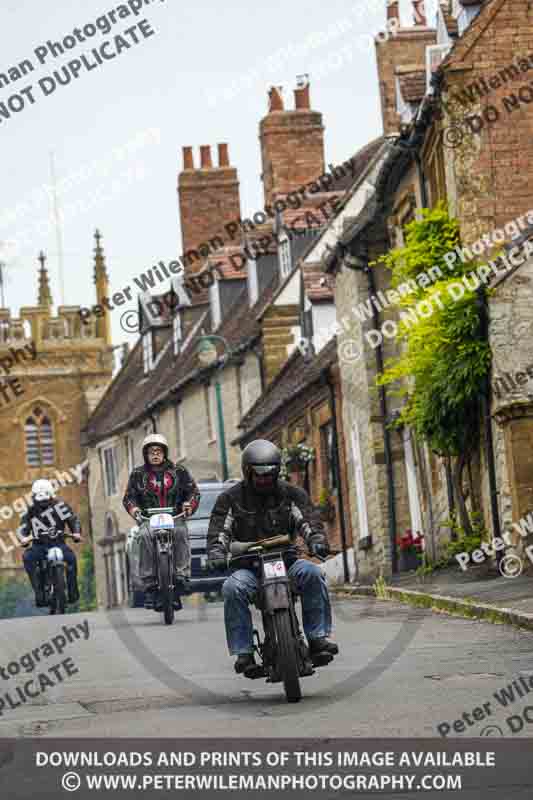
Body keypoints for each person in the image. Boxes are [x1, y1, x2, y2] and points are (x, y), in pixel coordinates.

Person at [207, 439, 338, 674]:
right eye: (259, 473)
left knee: (313, 573)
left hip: (287, 563)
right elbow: (220, 530)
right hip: (249, 569)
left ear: (278, 470)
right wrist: (217, 551)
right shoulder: (230, 499)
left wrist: (316, 540)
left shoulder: (292, 494)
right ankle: (244, 652)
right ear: (247, 472)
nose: (264, 478)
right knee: (232, 589)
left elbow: (307, 521)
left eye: (270, 472)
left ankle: (317, 638)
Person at [123, 433, 200, 606]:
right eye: (151, 452)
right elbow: (129, 497)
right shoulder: (137, 474)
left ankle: (182, 576)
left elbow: (193, 492)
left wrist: (188, 505)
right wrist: (134, 509)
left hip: (175, 516)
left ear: (164, 453)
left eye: (158, 451)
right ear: (146, 455)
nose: (155, 455)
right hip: (148, 518)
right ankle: (150, 583)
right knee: (143, 536)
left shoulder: (179, 471)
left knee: (181, 532)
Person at [17, 479, 81, 606]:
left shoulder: (61, 507)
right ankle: (38, 592)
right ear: (34, 498)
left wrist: (77, 532)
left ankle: (73, 592)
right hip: (39, 546)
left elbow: (73, 520)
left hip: (59, 544)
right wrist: (23, 537)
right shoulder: (30, 511)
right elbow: (23, 526)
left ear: (51, 496)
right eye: (40, 502)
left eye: (46, 501)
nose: (43, 504)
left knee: (72, 558)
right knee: (27, 557)